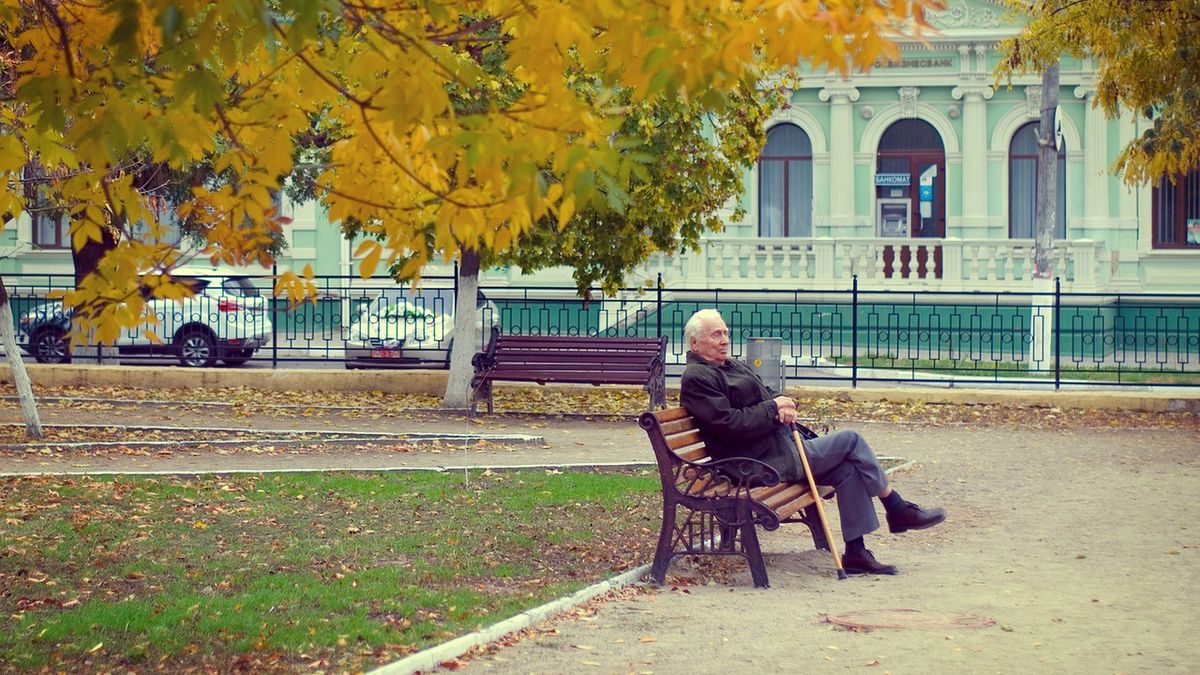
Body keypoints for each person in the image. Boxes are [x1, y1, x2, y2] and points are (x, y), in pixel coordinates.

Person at [679, 308, 946, 575]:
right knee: (851, 440)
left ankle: (856, 552)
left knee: (847, 470)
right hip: (754, 462)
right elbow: (729, 425)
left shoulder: (731, 365)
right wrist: (772, 409)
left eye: (726, 333)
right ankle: (896, 507)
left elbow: (766, 393)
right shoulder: (698, 378)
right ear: (695, 343)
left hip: (774, 449)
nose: (725, 340)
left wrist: (783, 402)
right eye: (716, 335)